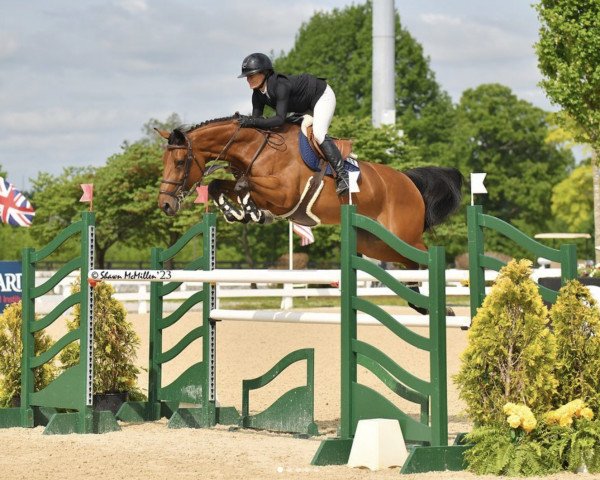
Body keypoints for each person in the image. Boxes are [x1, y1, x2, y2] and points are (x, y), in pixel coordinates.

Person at [237, 52, 349, 196]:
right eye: (247, 77)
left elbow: (279, 119)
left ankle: (343, 176)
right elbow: (256, 124)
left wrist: (251, 121)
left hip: (321, 96)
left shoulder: (280, 86)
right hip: (303, 106)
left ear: (264, 73)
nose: (248, 80)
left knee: (319, 133)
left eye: (251, 75)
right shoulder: (257, 94)